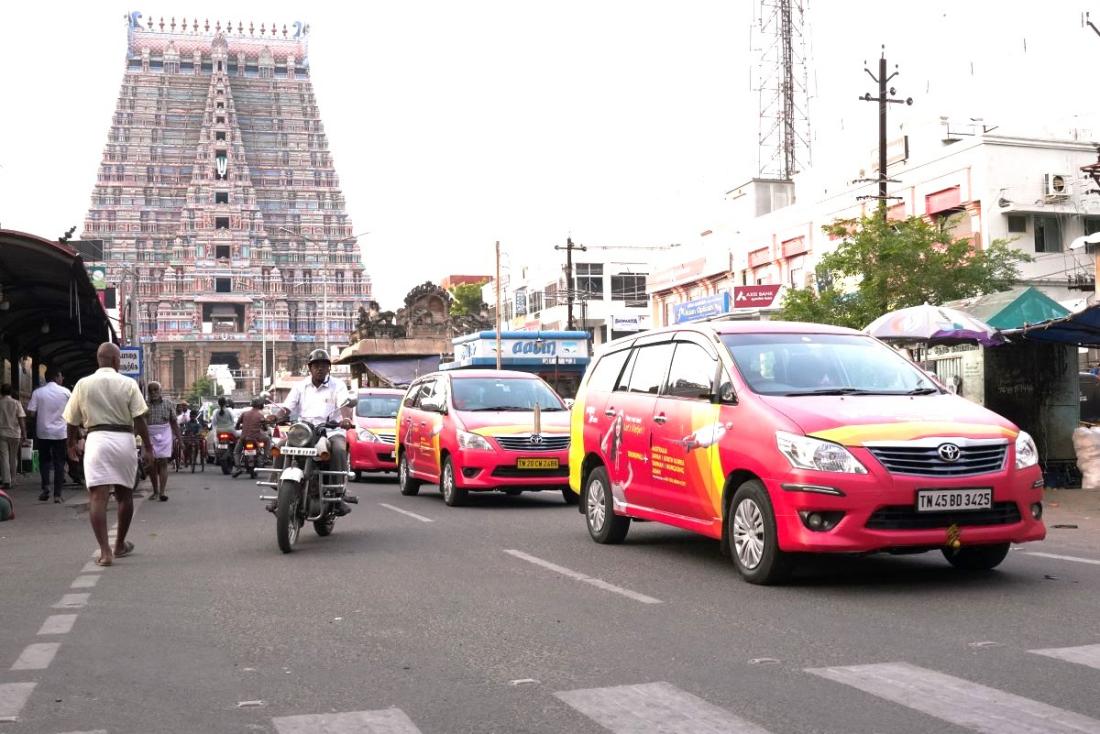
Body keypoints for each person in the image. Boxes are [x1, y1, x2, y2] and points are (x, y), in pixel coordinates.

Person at [63, 343, 154, 566]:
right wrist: (149, 447)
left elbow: (72, 420)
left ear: (98, 360)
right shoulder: (128, 383)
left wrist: (70, 444)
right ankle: (120, 544)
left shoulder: (83, 384)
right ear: (116, 361)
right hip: (124, 439)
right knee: (125, 496)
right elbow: (140, 419)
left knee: (97, 497)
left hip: (96, 441)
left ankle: (105, 552)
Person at [269, 349, 355, 513]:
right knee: (280, 446)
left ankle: (338, 495)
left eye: (324, 365)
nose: (320, 368)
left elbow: (345, 405)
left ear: (329, 368)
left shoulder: (338, 385)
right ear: (310, 368)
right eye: (316, 365)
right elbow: (287, 407)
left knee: (338, 449)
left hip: (331, 431)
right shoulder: (300, 386)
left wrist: (345, 420)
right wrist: (275, 416)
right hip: (305, 432)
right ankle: (279, 490)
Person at [27, 366, 72, 502]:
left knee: (44, 461)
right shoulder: (66, 392)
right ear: (56, 377)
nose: (62, 379)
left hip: (43, 432)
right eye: (61, 376)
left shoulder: (38, 393)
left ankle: (46, 486)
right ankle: (57, 495)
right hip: (60, 433)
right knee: (59, 462)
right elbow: (73, 412)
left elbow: (31, 412)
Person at [143, 381, 179, 501]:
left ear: (160, 391)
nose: (153, 393)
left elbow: (174, 422)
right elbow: (140, 423)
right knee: (150, 464)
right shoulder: (144, 405)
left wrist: (180, 439)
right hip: (149, 435)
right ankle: (155, 491)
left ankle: (162, 492)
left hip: (164, 433)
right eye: (151, 391)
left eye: (155, 390)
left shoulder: (168, 404)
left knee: (163, 462)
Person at [233, 397, 270, 476]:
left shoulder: (244, 413)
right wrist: (265, 428)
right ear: (260, 405)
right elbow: (265, 427)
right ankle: (266, 457)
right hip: (255, 438)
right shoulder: (260, 415)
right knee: (267, 439)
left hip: (244, 438)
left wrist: (237, 427)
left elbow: (237, 424)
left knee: (236, 452)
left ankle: (238, 468)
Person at [0, 383, 27, 490]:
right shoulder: (16, 403)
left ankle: (6, 481)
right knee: (13, 456)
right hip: (15, 434)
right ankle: (13, 479)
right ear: (11, 392)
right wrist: (24, 433)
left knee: (4, 457)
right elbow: (21, 418)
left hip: (2, 433)